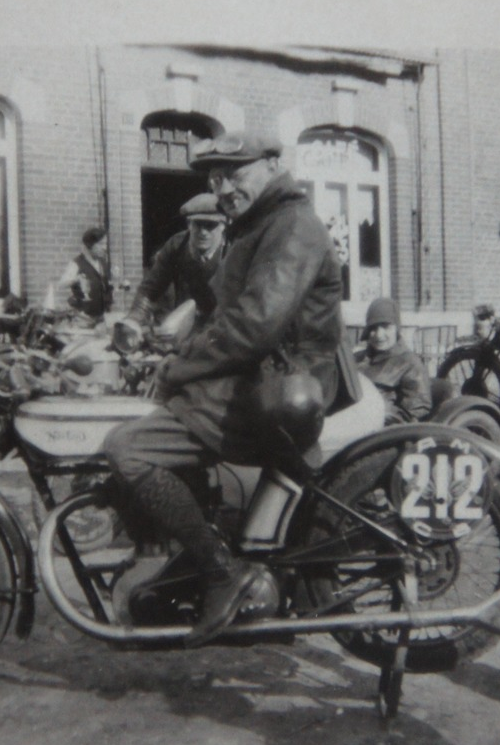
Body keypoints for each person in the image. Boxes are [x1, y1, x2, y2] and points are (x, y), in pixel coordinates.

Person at [104, 130, 355, 647]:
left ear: (271, 164)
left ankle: (222, 574)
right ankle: (190, 556)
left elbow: (254, 326)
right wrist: (173, 354)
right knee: (159, 415)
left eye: (234, 175)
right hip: (258, 376)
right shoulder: (258, 225)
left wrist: (180, 368)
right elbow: (222, 318)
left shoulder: (293, 227)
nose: (224, 189)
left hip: (283, 384)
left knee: (126, 448)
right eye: (216, 180)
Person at [124, 193, 227, 329]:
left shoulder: (233, 249)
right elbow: (150, 290)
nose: (203, 232)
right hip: (185, 325)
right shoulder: (176, 245)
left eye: (210, 226)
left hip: (221, 327)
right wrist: (133, 320)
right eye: (198, 225)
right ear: (189, 224)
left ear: (223, 225)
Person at [354, 297, 434, 425]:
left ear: (396, 328)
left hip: (382, 431)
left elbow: (415, 412)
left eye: (386, 327)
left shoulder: (410, 363)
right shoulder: (357, 359)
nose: (379, 334)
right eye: (373, 328)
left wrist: (381, 413)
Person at [54, 227, 111, 321]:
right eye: (101, 244)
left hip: (101, 317)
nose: (105, 248)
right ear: (90, 245)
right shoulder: (77, 263)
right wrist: (75, 280)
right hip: (83, 318)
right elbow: (61, 284)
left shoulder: (102, 263)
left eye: (106, 244)